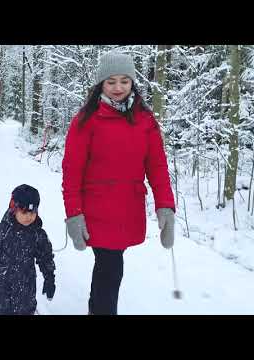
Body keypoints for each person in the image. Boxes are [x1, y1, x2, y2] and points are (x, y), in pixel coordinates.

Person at [62, 51, 176, 315]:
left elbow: (157, 167)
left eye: (124, 81)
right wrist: (74, 215)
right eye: (111, 81)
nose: (118, 88)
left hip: (128, 210)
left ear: (132, 82)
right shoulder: (85, 121)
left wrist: (165, 207)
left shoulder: (146, 121)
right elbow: (72, 172)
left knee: (109, 268)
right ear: (101, 83)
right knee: (110, 268)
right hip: (96, 212)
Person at [0, 184, 56, 315]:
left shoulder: (38, 235)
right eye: (24, 212)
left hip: (26, 288)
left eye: (33, 212)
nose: (29, 217)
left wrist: (49, 278)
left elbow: (45, 257)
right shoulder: (2, 231)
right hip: (0, 285)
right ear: (14, 209)